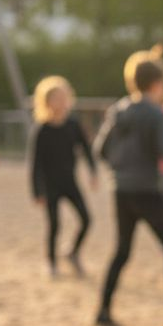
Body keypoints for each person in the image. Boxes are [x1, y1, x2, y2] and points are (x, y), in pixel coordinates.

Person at [93, 48, 163, 326]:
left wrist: (120, 170)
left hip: (121, 191)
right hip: (147, 191)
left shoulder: (118, 110)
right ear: (157, 84)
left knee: (121, 251)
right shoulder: (156, 114)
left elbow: (100, 150)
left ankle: (103, 311)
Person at [29, 75, 97, 278]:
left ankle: (73, 252)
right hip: (50, 186)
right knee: (54, 225)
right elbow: (35, 164)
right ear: (46, 102)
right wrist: (37, 191)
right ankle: (51, 263)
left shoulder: (73, 125)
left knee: (86, 219)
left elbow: (86, 149)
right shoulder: (42, 130)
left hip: (70, 182)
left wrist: (93, 171)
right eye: (56, 98)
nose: (61, 102)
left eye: (64, 97)